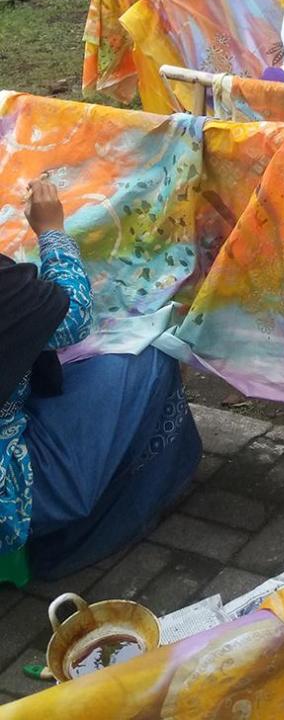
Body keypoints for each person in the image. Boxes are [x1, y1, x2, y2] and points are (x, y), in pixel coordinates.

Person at [2, 178, 201, 582]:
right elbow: (71, 316)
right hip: (10, 491)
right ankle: (69, 542)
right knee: (148, 356)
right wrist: (52, 231)